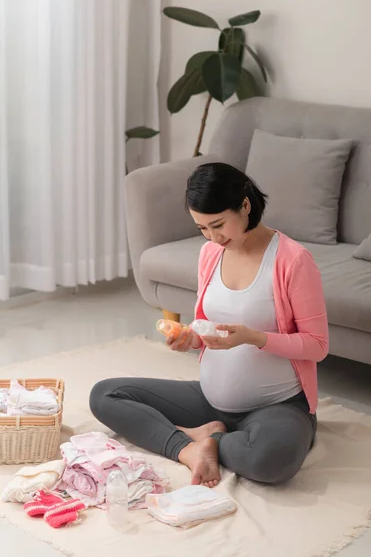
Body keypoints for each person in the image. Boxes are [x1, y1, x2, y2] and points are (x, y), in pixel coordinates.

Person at [90, 162, 329, 488]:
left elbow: (317, 345)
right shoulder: (210, 254)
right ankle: (191, 448)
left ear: (245, 206)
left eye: (218, 225)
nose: (213, 237)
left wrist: (254, 337)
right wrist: (192, 338)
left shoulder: (293, 260)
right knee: (105, 394)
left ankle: (214, 440)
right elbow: (208, 325)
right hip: (209, 399)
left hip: (276, 405)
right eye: (202, 228)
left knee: (270, 462)